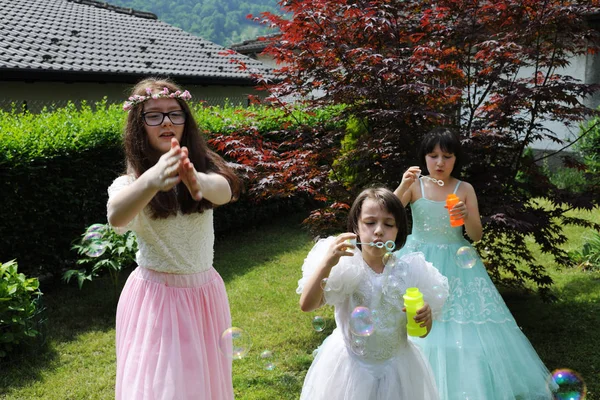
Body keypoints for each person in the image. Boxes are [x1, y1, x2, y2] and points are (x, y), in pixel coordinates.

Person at [394, 127, 554, 399]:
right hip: (418, 259)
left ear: (456, 159)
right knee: (413, 315)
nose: (440, 162)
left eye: (447, 156)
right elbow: (390, 212)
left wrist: (467, 214)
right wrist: (402, 185)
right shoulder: (415, 186)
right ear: (424, 158)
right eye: (433, 156)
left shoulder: (463, 188)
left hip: (457, 263)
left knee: (458, 321)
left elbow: (476, 235)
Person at [107, 77, 242, 400]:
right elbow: (116, 216)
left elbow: (225, 191)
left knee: (200, 383)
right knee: (163, 386)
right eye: (154, 115)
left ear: (186, 122)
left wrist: (196, 182)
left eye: (175, 113)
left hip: (204, 295)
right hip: (157, 300)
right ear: (139, 126)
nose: (166, 121)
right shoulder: (131, 183)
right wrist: (152, 180)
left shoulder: (205, 168)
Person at [297, 187, 450, 400]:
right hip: (351, 368)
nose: (378, 231)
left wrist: (426, 318)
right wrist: (327, 264)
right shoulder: (344, 265)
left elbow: (422, 332)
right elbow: (307, 304)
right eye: (370, 223)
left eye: (388, 224)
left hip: (398, 367)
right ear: (356, 227)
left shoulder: (411, 272)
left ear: (398, 231)